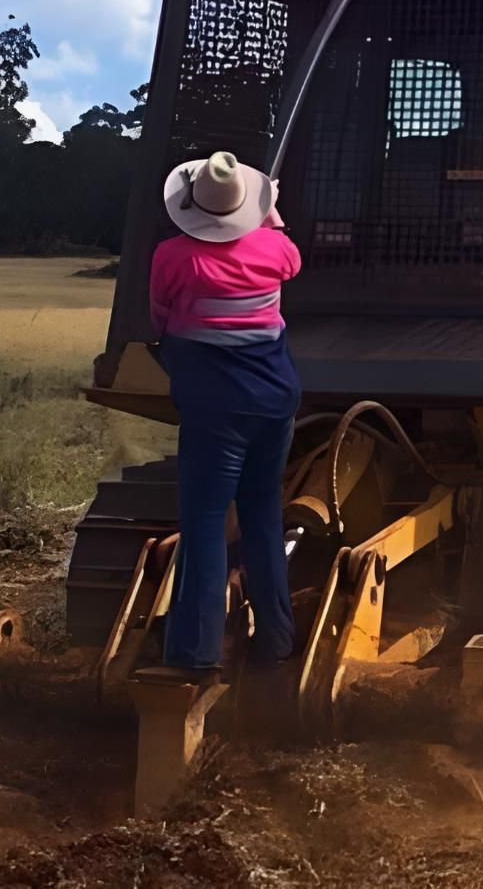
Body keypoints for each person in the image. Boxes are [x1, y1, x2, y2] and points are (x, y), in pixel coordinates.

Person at [149, 150, 301, 676]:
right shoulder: (276, 250)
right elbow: (289, 255)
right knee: (262, 515)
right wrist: (270, 212)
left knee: (207, 521)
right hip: (276, 400)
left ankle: (197, 652)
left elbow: (161, 320)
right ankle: (278, 641)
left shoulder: (173, 257)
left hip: (215, 409)